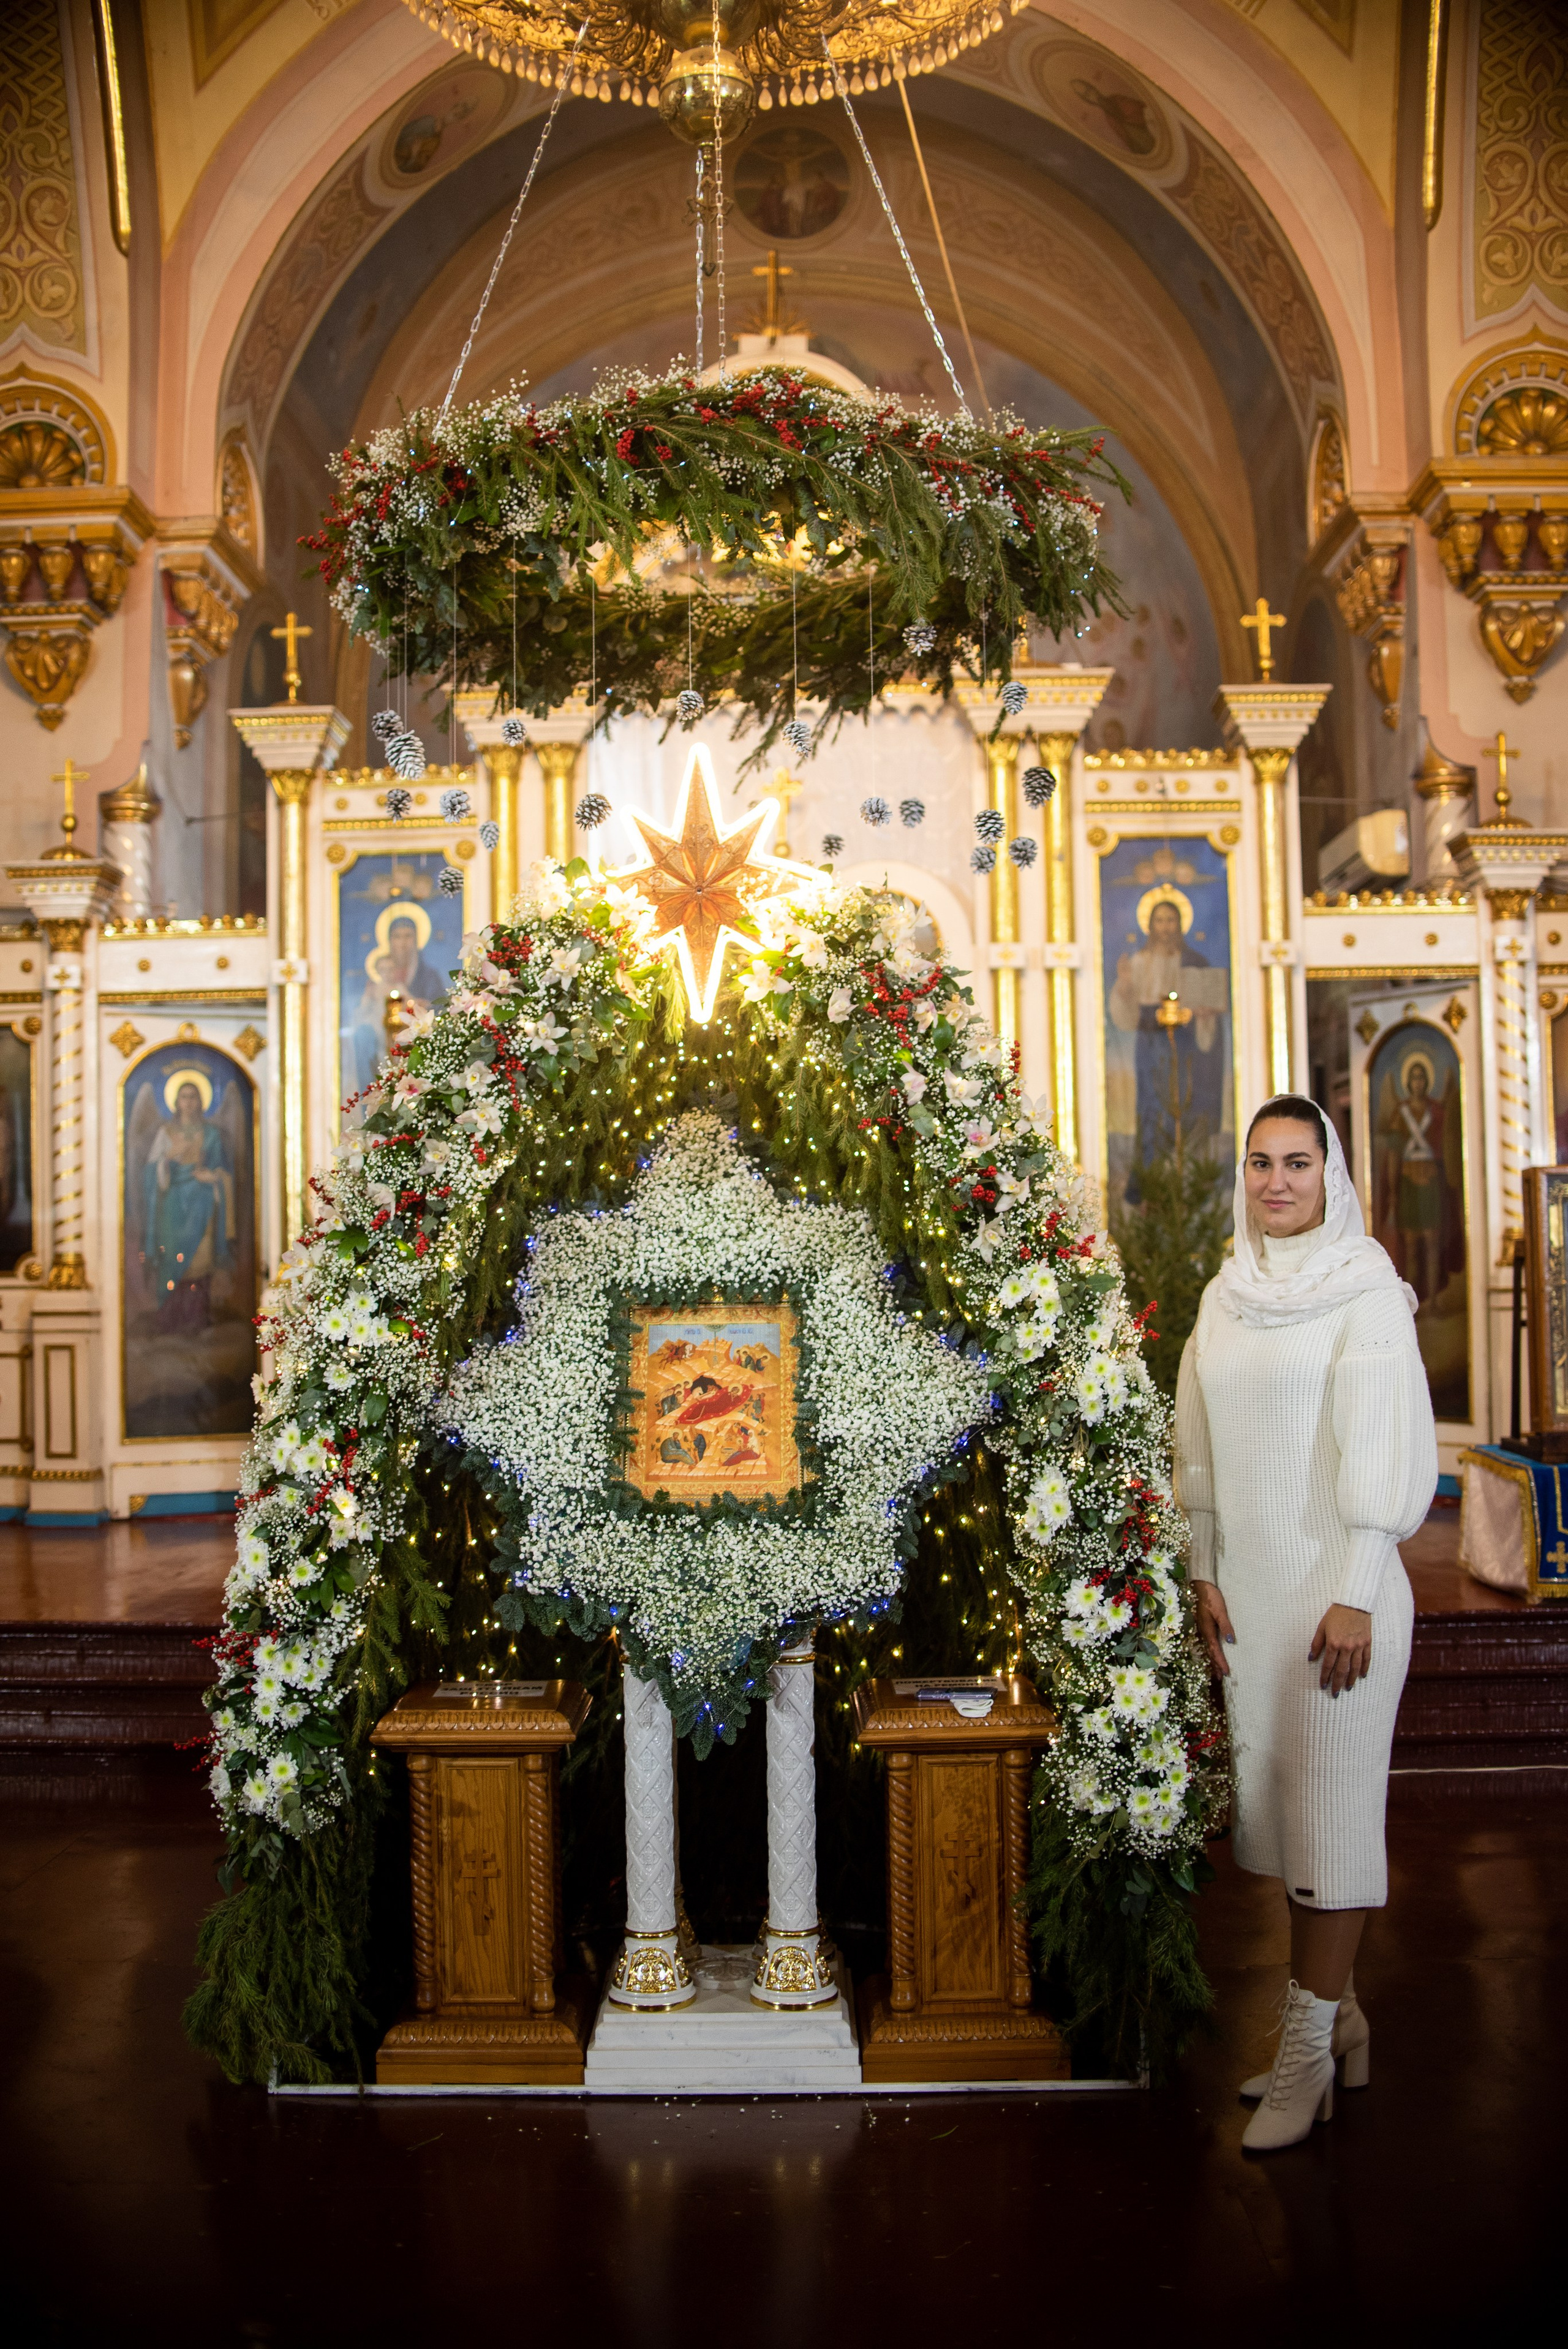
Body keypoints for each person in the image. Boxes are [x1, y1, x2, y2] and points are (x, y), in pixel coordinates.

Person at [1175, 1093, 1436, 2151]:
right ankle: (1345, 2022)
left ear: (1332, 1175)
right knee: (1287, 1825)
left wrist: (1359, 1583)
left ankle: (1305, 2054)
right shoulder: (1225, 1295)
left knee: (1332, 1818)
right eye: (1259, 1164)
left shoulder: (1367, 1293)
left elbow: (1388, 1447)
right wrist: (1201, 1566)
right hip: (1255, 1597)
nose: (1276, 1182)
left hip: (1344, 1601)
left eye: (1297, 1162)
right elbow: (1196, 1440)